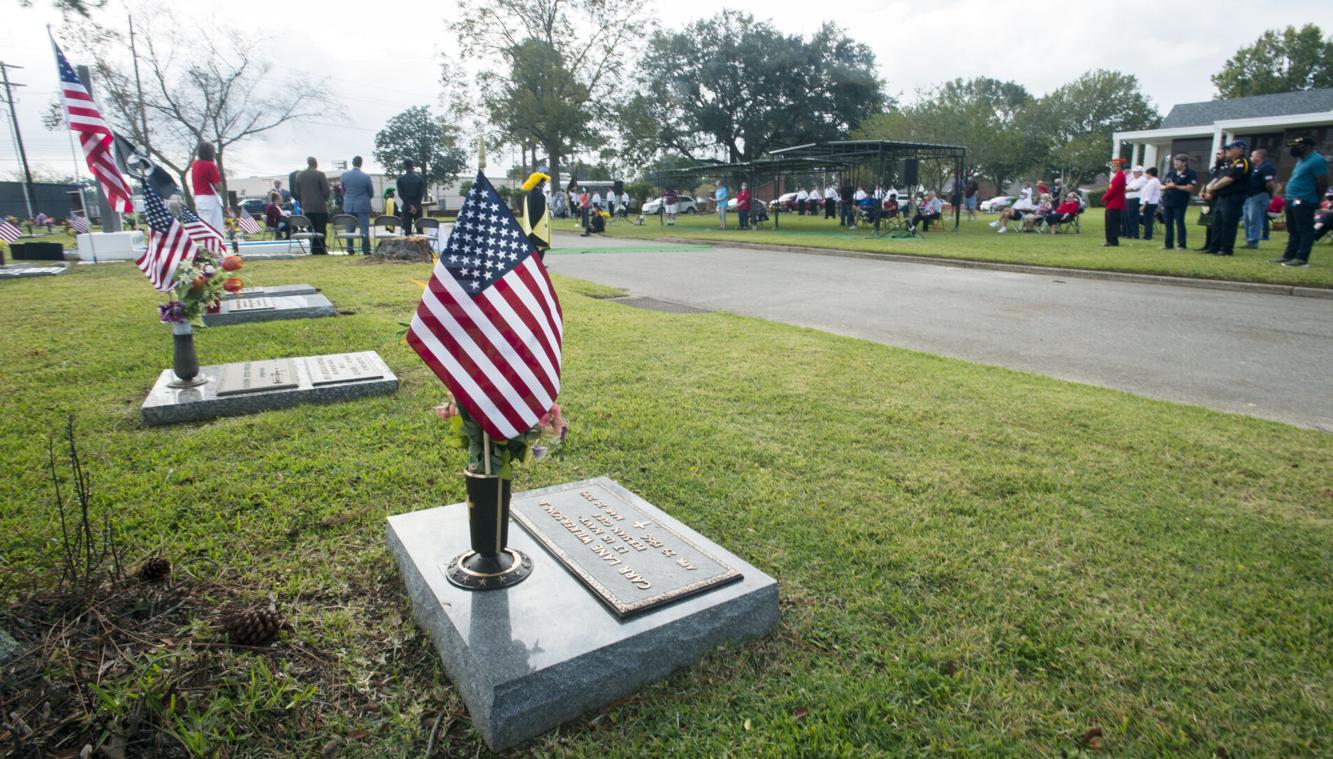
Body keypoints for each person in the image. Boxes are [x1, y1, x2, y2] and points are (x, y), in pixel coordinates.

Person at [1275, 135, 1328, 267]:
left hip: (1304, 199)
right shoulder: (1301, 160)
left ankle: (1302, 257)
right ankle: (1289, 255)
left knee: (1305, 229)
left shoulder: (1317, 160)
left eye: (1298, 146)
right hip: (1291, 198)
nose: (1295, 149)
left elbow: (1322, 182)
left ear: (1308, 147)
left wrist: (1316, 199)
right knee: (1293, 229)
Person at [1204, 140, 1251, 256]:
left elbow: (1230, 179)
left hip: (1233, 197)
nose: (1228, 151)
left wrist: (1213, 188)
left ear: (1239, 149)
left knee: (1228, 224)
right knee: (1217, 222)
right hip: (1222, 197)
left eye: (1230, 149)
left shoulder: (1242, 162)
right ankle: (1214, 247)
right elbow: (1220, 177)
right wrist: (1210, 187)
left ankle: (1226, 249)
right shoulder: (1230, 163)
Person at [1160, 154, 1197, 251]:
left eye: (1178, 161)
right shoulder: (1171, 173)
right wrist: (1167, 187)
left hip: (1180, 202)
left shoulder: (1190, 173)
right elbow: (1162, 186)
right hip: (1167, 200)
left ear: (1184, 162)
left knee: (1179, 222)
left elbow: (1190, 187)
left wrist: (1175, 186)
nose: (1175, 163)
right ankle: (1168, 244)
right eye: (1174, 161)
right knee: (1168, 223)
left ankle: (1181, 244)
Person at [294, 156, 330, 253]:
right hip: (320, 207)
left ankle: (313, 248)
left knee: (311, 229)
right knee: (321, 229)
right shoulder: (320, 174)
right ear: (316, 163)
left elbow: (297, 192)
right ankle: (322, 249)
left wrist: (303, 200)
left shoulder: (299, 175)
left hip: (307, 206)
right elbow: (326, 191)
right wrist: (324, 199)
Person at [1243, 148, 1277, 249]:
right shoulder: (1256, 167)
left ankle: (1253, 242)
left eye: (1253, 155)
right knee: (1247, 220)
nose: (1251, 158)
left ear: (1259, 156)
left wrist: (1270, 194)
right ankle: (1249, 240)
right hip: (1249, 197)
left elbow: (1270, 183)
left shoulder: (1267, 167)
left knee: (1255, 220)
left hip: (1259, 196)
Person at [340, 155, 373, 254]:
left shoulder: (344, 175)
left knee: (349, 228)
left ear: (352, 163)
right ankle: (366, 249)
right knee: (364, 229)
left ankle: (350, 248)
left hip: (349, 205)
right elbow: (370, 192)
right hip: (362, 205)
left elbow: (343, 190)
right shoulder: (366, 177)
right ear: (361, 163)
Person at [190, 142, 225, 233]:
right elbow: (218, 186)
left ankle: (207, 245)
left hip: (198, 198)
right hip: (210, 198)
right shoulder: (210, 165)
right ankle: (216, 246)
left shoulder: (195, 164)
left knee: (205, 226)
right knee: (215, 227)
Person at [396, 160, 426, 237]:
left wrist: (410, 206)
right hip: (417, 207)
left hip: (406, 206)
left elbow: (401, 195)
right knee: (420, 230)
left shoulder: (400, 180)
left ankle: (408, 248)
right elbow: (420, 195)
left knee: (407, 231)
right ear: (413, 167)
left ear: (404, 167)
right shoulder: (420, 180)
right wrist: (415, 206)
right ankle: (420, 248)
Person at [1102, 158, 1127, 247]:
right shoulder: (1118, 176)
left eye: (1113, 166)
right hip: (1112, 202)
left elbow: (1113, 190)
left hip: (1114, 203)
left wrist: (1104, 198)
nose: (1112, 168)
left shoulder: (1120, 176)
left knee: (1112, 223)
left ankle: (1113, 241)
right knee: (1109, 222)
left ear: (1118, 167)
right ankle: (1109, 240)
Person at [1123, 165, 1146, 239]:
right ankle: (1129, 233)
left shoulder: (1142, 179)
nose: (1134, 173)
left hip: (1135, 199)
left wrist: (1129, 189)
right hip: (1129, 199)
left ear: (1140, 172)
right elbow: (1127, 188)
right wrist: (1128, 189)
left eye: (1136, 172)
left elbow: (1133, 188)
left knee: (1133, 217)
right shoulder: (1134, 179)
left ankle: (1134, 234)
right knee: (1127, 217)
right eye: (1134, 172)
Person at [1139, 167, 1162, 242]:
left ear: (1150, 174)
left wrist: (1144, 205)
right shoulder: (1154, 181)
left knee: (1147, 220)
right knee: (1147, 219)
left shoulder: (1152, 182)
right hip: (1151, 203)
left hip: (1150, 203)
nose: (1146, 176)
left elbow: (1148, 195)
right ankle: (1147, 234)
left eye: (1147, 174)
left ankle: (1148, 235)